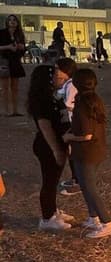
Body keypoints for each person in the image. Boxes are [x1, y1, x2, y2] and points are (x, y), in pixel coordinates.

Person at [62, 69, 111, 238]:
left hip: (87, 153)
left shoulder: (83, 104)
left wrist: (68, 136)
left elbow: (86, 134)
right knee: (85, 186)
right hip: (96, 150)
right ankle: (94, 218)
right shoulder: (94, 100)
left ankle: (107, 223)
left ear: (76, 84)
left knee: (90, 188)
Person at [28, 65, 75, 232]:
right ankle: (47, 218)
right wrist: (56, 149)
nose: (61, 79)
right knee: (49, 181)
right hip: (48, 145)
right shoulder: (42, 100)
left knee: (53, 180)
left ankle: (53, 211)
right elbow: (45, 126)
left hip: (57, 143)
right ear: (49, 79)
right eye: (57, 77)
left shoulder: (51, 96)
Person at [54, 58, 82, 196]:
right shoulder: (67, 83)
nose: (55, 71)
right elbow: (58, 95)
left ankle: (77, 182)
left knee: (72, 152)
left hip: (72, 122)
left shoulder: (72, 85)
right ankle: (75, 179)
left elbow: (69, 105)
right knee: (70, 152)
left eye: (57, 68)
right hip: (69, 121)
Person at [0, 15, 26, 117]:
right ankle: (5, 110)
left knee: (15, 88)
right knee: (4, 87)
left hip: (15, 61)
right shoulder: (2, 33)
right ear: (7, 22)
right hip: (4, 61)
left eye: (14, 20)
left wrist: (21, 47)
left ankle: (15, 110)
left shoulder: (19, 34)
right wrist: (8, 47)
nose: (12, 22)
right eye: (10, 20)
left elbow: (24, 47)